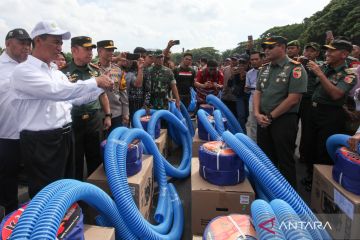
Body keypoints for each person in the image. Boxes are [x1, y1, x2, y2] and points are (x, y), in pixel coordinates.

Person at [10, 20, 113, 198]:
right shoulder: (23, 71)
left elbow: (76, 99)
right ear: (39, 40)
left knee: (66, 185)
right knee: (47, 193)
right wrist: (94, 81)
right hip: (41, 141)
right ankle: (47, 224)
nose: (60, 47)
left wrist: (101, 87)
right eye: (56, 42)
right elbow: (56, 92)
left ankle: (67, 221)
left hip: (64, 135)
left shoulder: (55, 72)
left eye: (61, 42)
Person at [254, 36, 307, 188]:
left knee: (284, 161)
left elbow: (293, 99)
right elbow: (258, 92)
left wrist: (270, 116)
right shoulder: (264, 68)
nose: (266, 50)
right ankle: (267, 192)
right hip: (263, 119)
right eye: (265, 47)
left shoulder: (295, 68)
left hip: (283, 120)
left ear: (282, 47)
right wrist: (257, 114)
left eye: (271, 47)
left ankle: (289, 201)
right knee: (265, 158)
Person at [303, 39, 357, 189]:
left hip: (330, 115)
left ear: (344, 54)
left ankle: (320, 182)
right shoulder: (325, 67)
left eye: (332, 51)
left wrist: (320, 74)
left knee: (323, 149)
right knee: (308, 145)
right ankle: (309, 175)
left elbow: (336, 95)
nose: (327, 53)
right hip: (313, 110)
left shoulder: (348, 75)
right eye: (327, 50)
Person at [62, 36, 112, 180]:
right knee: (74, 160)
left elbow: (102, 95)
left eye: (91, 49)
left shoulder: (95, 71)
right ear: (74, 51)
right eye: (86, 49)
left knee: (95, 157)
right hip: (73, 121)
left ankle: (94, 191)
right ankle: (76, 195)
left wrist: (108, 115)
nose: (90, 52)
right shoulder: (63, 73)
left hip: (94, 119)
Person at [0, 28, 31, 214]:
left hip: (30, 132)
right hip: (6, 133)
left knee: (32, 176)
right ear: (7, 43)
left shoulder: (31, 66)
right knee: (8, 178)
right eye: (21, 43)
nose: (26, 48)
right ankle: (9, 215)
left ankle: (31, 214)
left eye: (28, 44)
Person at [297, 42, 321, 185]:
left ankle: (304, 156)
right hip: (296, 98)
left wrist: (311, 67)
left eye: (313, 51)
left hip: (309, 100)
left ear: (317, 54)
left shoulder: (320, 66)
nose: (309, 53)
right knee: (292, 126)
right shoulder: (297, 63)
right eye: (307, 50)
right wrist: (298, 63)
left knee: (307, 130)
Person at [97, 40, 129, 132]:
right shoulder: (93, 69)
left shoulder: (118, 70)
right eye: (108, 50)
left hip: (116, 114)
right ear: (99, 51)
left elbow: (123, 92)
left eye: (112, 50)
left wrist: (126, 113)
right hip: (99, 115)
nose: (111, 53)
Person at [245, 51, 264, 141]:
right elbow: (247, 88)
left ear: (261, 59)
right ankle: (254, 146)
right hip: (252, 101)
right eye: (252, 60)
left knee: (264, 124)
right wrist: (248, 89)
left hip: (265, 102)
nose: (254, 61)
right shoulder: (249, 73)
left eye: (256, 59)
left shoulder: (268, 70)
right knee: (253, 124)